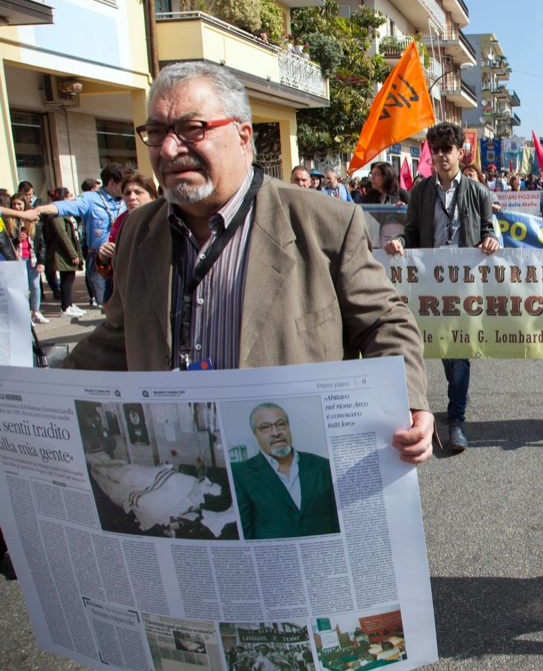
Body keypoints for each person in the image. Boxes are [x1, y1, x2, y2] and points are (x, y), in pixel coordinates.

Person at [59, 61, 433, 465]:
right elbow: (118, 339)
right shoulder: (137, 231)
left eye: (191, 129)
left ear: (242, 136)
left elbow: (384, 323)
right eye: (157, 132)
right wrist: (36, 396)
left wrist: (407, 401)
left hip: (284, 465)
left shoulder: (325, 223)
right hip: (179, 466)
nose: (168, 149)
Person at [383, 121, 499, 453]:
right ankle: (438, 403)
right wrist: (399, 242)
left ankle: (456, 420)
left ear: (460, 153)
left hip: (464, 286)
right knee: (429, 348)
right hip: (429, 284)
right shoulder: (420, 193)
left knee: (458, 353)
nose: (440, 155)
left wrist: (490, 239)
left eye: (447, 149)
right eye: (435, 150)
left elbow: (489, 230)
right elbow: (411, 232)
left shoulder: (478, 192)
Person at [233, 403, 339, 540]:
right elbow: (246, 536)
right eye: (265, 427)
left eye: (281, 424)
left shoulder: (323, 466)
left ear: (288, 427)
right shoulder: (241, 475)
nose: (276, 432)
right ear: (255, 434)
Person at [35, 163, 128, 307]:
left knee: (129, 301)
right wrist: (41, 210)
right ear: (111, 183)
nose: (128, 188)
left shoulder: (128, 198)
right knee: (107, 304)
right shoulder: (90, 199)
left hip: (125, 257)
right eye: (124, 184)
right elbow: (67, 206)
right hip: (100, 259)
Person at [96, 172, 159, 278]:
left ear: (152, 197)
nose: (132, 197)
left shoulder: (165, 221)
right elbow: (111, 273)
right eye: (127, 193)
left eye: (138, 192)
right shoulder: (120, 224)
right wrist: (103, 258)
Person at [4, 193, 48, 324]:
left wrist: (42, 261)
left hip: (32, 258)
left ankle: (36, 311)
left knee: (35, 287)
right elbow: (5, 244)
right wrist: (16, 239)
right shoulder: (9, 221)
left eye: (19, 204)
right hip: (17, 259)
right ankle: (25, 315)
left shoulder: (33, 221)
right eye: (14, 204)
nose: (16, 207)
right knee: (21, 288)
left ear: (25, 204)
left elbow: (41, 243)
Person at [42, 188, 85, 317]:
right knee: (67, 278)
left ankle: (69, 304)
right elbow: (62, 234)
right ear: (64, 198)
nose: (72, 198)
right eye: (70, 195)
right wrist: (73, 254)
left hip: (68, 249)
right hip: (61, 251)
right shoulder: (56, 213)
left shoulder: (67, 211)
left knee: (69, 277)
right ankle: (65, 307)